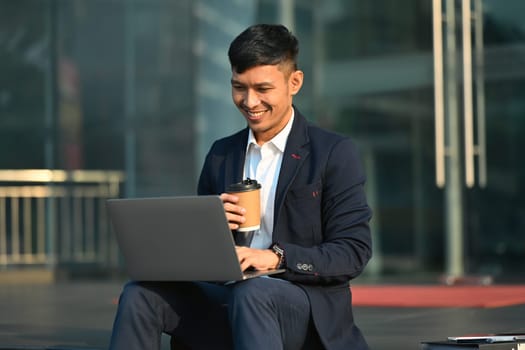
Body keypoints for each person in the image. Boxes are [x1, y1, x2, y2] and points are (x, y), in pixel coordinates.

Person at [109, 23, 372, 350]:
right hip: (231, 300)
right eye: (239, 87)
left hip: (303, 309)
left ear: (294, 83)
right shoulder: (221, 153)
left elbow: (353, 251)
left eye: (263, 89)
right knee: (140, 294)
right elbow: (201, 257)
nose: (250, 101)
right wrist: (209, 227)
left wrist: (274, 258)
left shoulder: (332, 152)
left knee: (254, 292)